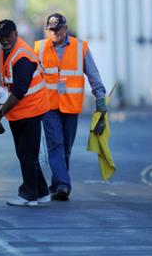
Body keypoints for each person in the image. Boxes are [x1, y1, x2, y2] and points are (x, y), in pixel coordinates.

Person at [34, 13, 107, 201]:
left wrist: (100, 99)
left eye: (58, 29)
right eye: (51, 30)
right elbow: (30, 76)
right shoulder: (38, 48)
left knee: (65, 147)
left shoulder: (79, 47)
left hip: (71, 106)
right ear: (46, 30)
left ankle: (57, 183)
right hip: (48, 105)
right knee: (55, 143)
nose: (55, 33)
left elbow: (93, 73)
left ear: (65, 28)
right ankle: (64, 185)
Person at [0, 19, 50, 207]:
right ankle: (42, 192)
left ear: (15, 33)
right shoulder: (5, 51)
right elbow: (6, 81)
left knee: (27, 154)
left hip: (31, 108)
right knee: (25, 153)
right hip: (19, 111)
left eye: (7, 35)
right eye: (0, 37)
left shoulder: (22, 56)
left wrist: (0, 114)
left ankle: (29, 195)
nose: (4, 39)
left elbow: (19, 91)